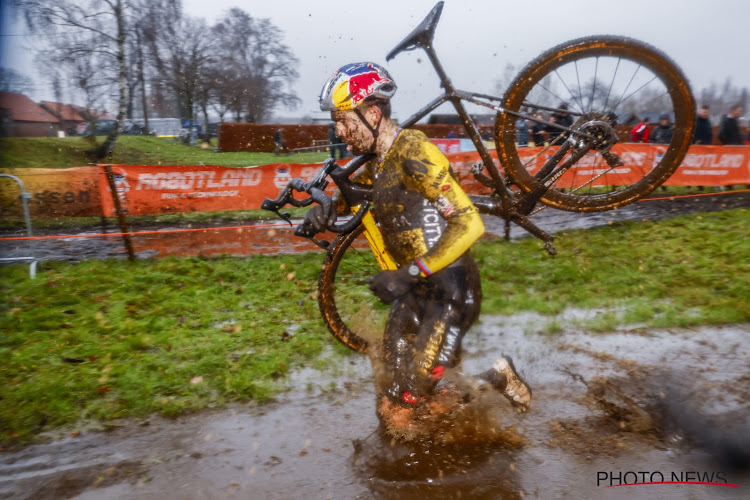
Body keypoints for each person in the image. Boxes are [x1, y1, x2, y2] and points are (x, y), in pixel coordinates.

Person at [308, 61, 531, 416]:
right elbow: (354, 203)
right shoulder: (375, 163)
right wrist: (322, 212)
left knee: (418, 395)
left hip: (450, 292)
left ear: (374, 113)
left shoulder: (413, 150)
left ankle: (497, 380)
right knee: (396, 397)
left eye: (344, 120)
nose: (340, 131)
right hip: (414, 292)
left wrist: (406, 274)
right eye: (335, 122)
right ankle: (475, 399)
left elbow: (469, 223)